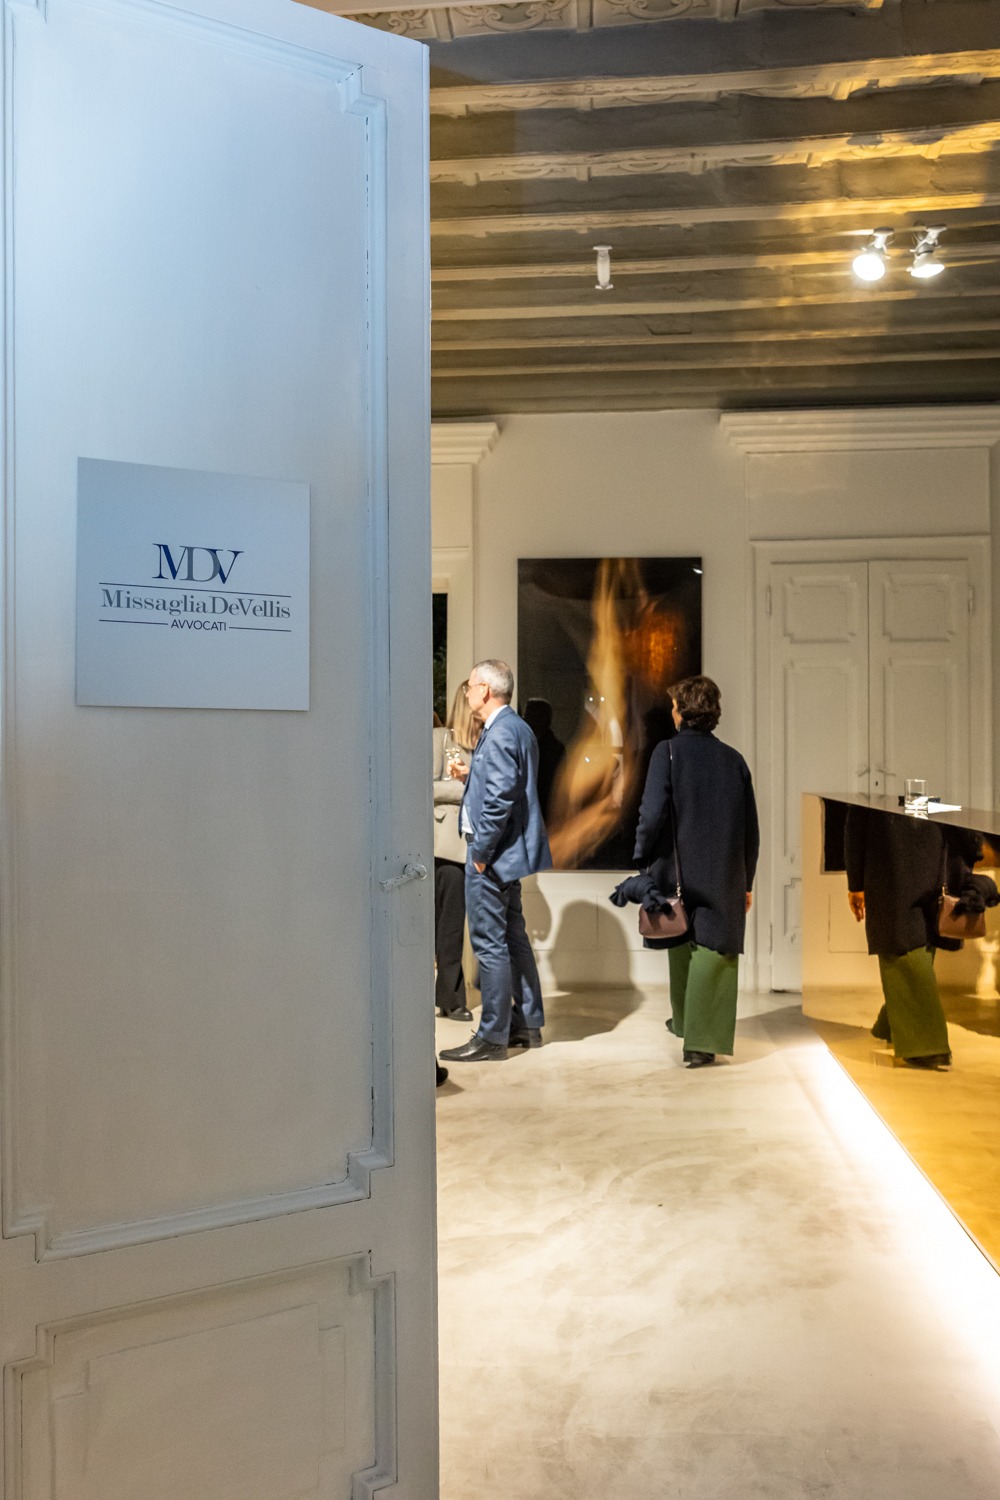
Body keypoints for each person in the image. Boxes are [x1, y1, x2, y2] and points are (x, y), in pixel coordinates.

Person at [633, 676, 759, 1069]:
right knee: (715, 948)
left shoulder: (667, 752)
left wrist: (642, 858)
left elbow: (651, 813)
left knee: (679, 936)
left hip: (676, 868)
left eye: (674, 705)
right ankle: (698, 1036)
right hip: (723, 870)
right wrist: (747, 880)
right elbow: (750, 829)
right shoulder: (734, 760)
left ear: (682, 711)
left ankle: (690, 1029)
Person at [440, 660, 552, 1063]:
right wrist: (470, 775)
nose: (468, 692)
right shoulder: (514, 728)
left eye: (470, 686)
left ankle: (492, 1037)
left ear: (485, 689)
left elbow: (502, 799)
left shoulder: (501, 730)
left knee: (490, 944)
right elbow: (504, 785)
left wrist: (481, 855)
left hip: (492, 857)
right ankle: (526, 1024)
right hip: (507, 856)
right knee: (513, 938)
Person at [844, 808, 992, 1070]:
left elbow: (858, 816)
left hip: (910, 859)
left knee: (913, 942)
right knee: (909, 943)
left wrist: (856, 881)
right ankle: (911, 1035)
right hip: (912, 860)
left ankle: (911, 1035)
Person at [432, 683, 480, 1022]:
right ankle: (450, 999)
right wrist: (466, 789)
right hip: (446, 848)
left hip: (475, 847)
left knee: (456, 927)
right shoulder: (441, 739)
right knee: (446, 927)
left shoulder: (485, 743)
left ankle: (451, 997)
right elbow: (423, 785)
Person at [521, 697, 565, 823]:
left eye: (530, 714)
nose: (525, 718)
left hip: (543, 811)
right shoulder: (527, 742)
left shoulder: (553, 748)